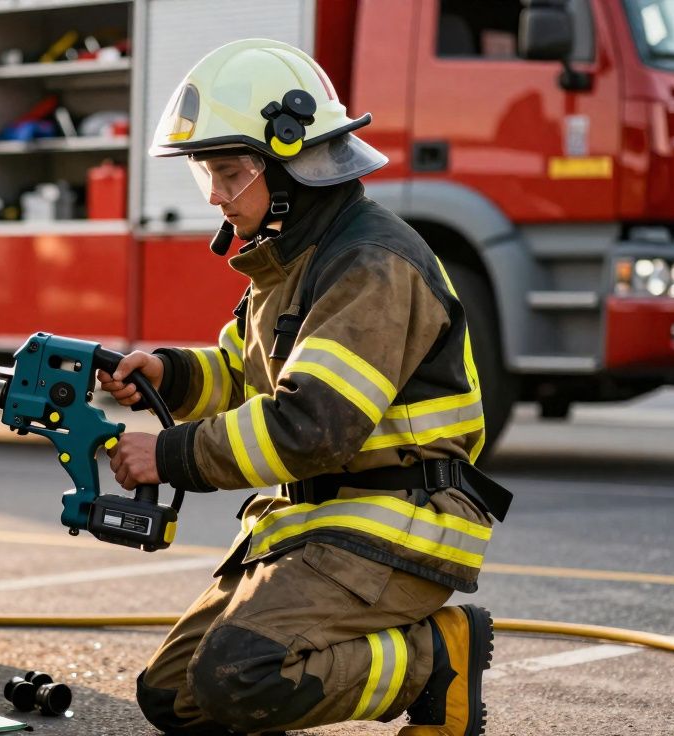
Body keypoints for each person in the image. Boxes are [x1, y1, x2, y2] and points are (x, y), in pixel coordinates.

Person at [98, 39, 511, 736]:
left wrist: (167, 455)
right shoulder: (294, 258)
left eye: (229, 173)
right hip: (317, 523)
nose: (217, 197)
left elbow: (311, 424)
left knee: (239, 676)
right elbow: (241, 373)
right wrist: (168, 372)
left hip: (395, 522)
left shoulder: (371, 265)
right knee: (175, 697)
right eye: (208, 176)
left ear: (290, 159)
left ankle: (436, 657)